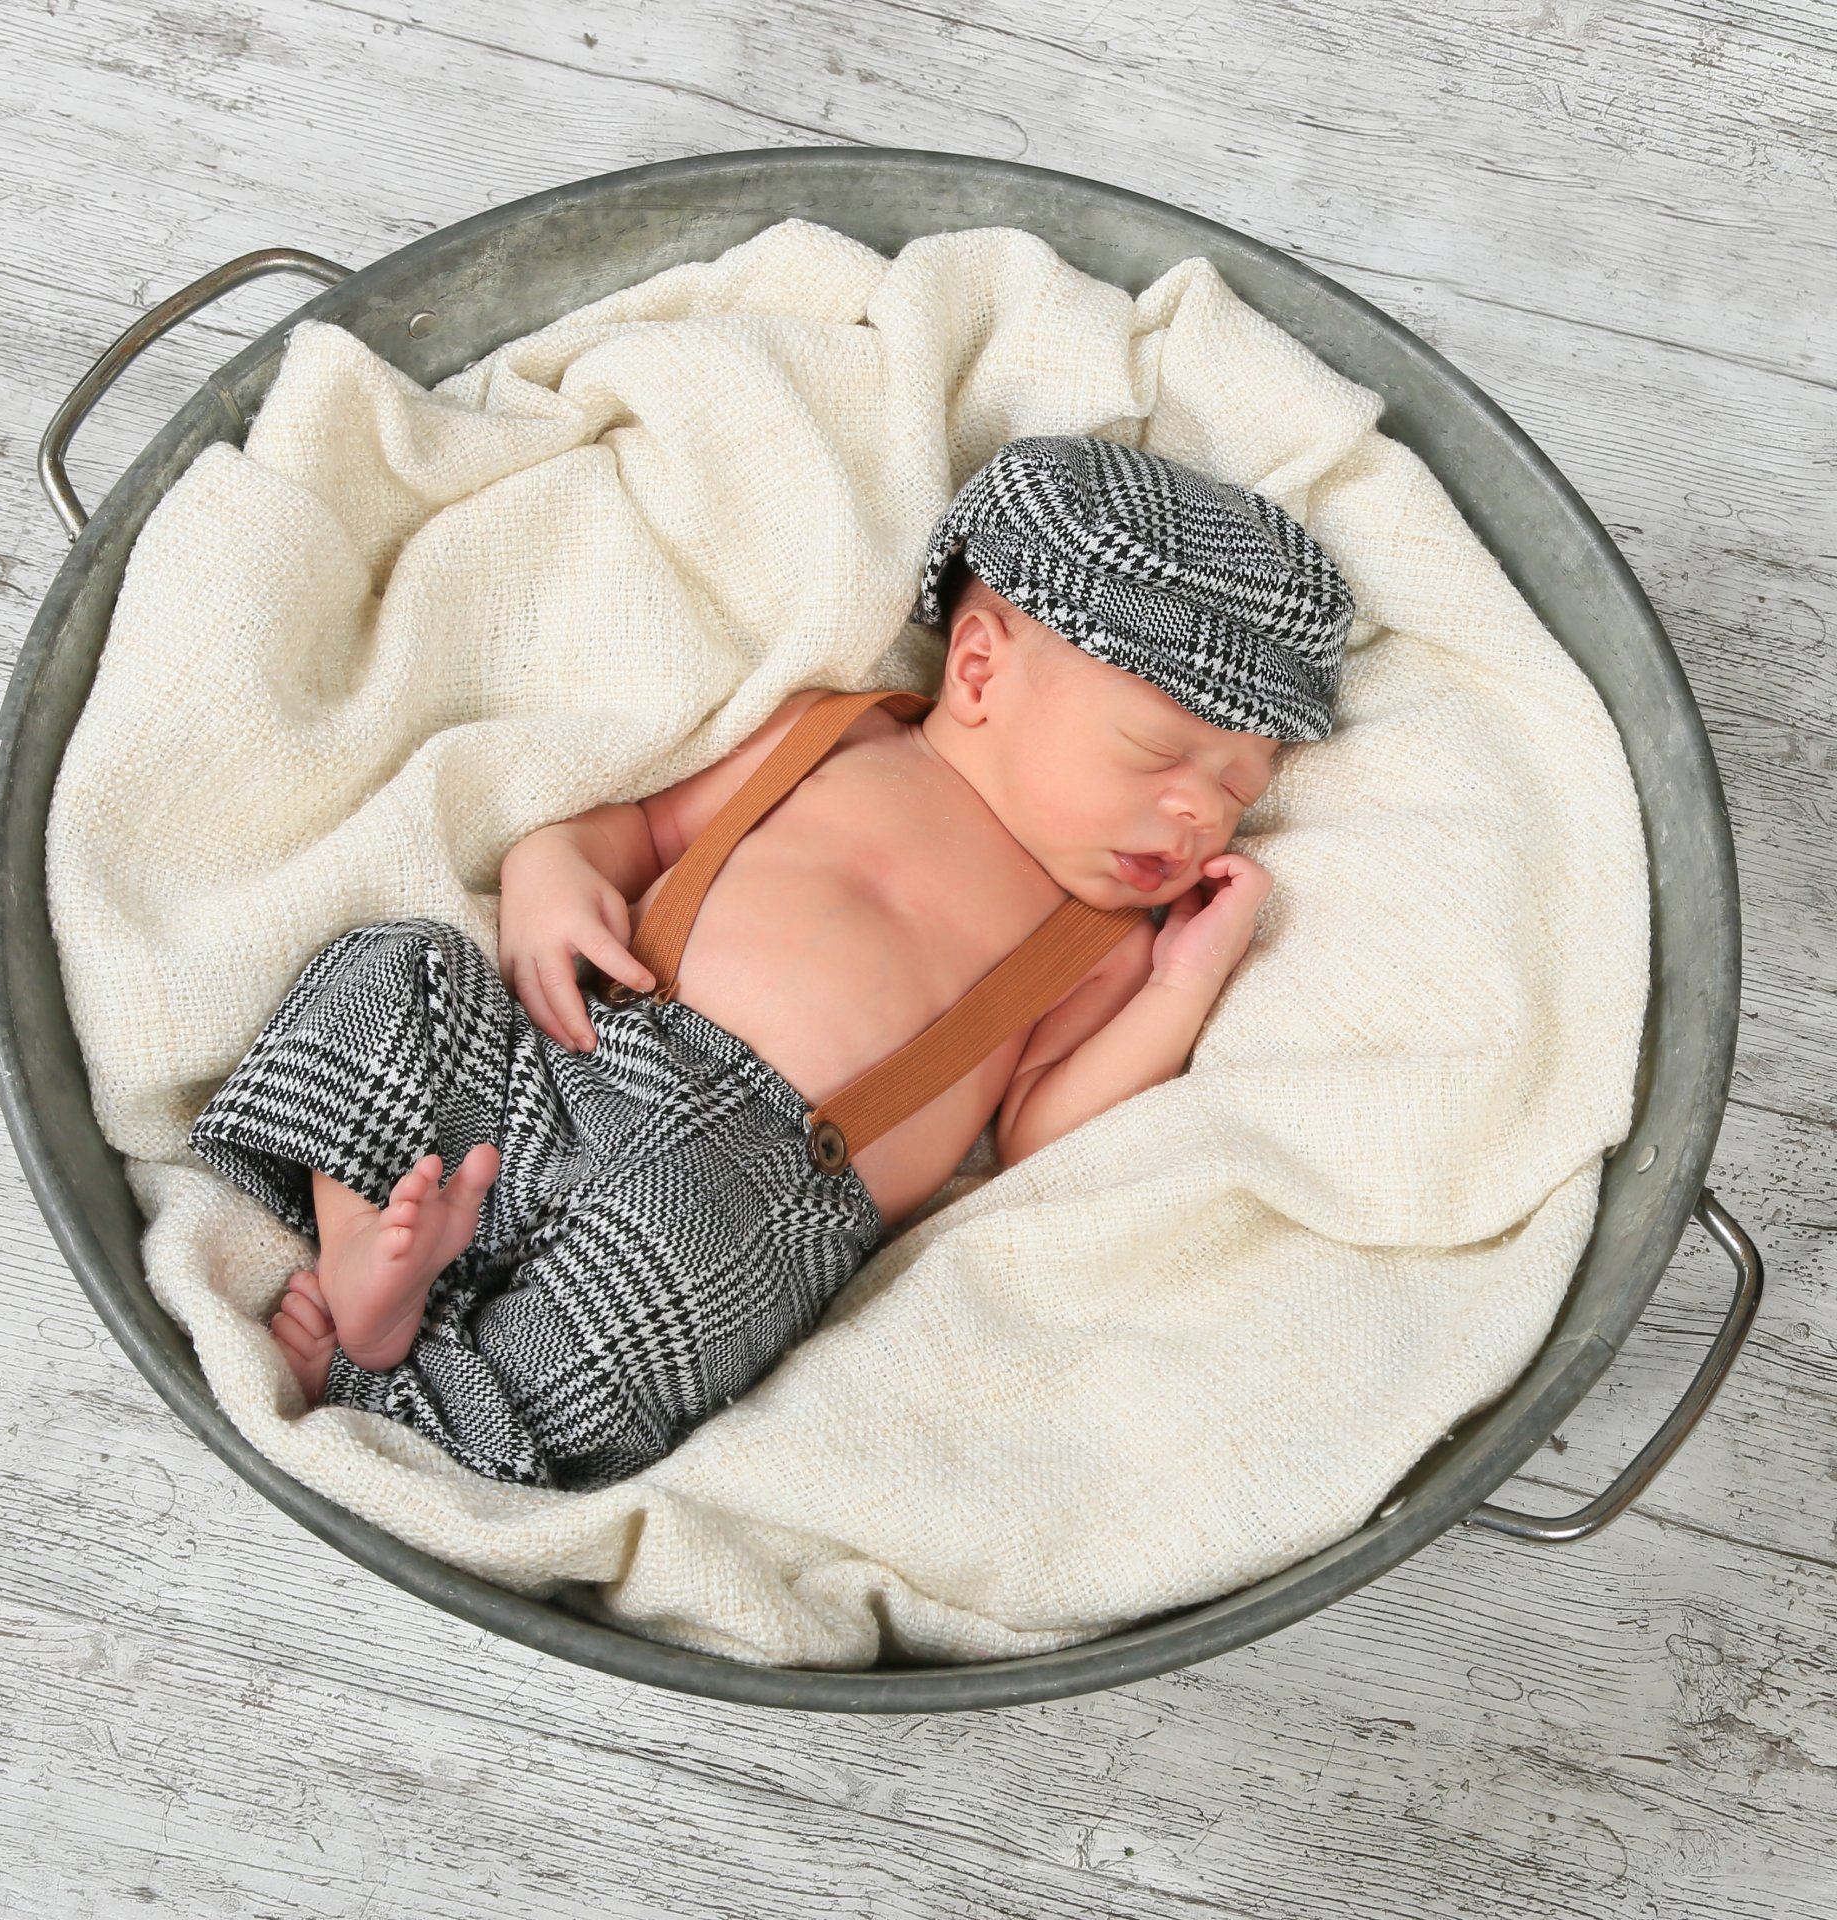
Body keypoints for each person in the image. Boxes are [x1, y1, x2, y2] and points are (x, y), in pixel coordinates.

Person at [187, 433, 1355, 1491]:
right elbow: (642, 829)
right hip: (569, 1057)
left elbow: (1043, 1130)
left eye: (1239, 788)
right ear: (979, 670)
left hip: (750, 1202)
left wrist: (1185, 982)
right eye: (1157, 751)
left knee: (636, 1341)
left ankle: (404, 1372)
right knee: (400, 969)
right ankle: (364, 1236)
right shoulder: (829, 733)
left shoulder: (1098, 943)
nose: (1201, 813)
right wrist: (552, 866)